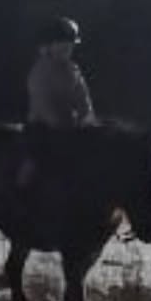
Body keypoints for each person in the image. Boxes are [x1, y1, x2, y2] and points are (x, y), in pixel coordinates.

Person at [19, 16, 95, 190]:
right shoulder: (41, 70)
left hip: (72, 128)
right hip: (43, 127)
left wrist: (87, 119)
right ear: (49, 46)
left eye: (70, 45)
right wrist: (60, 126)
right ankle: (22, 193)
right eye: (63, 44)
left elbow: (83, 97)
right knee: (34, 159)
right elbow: (42, 102)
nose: (67, 49)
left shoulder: (73, 70)